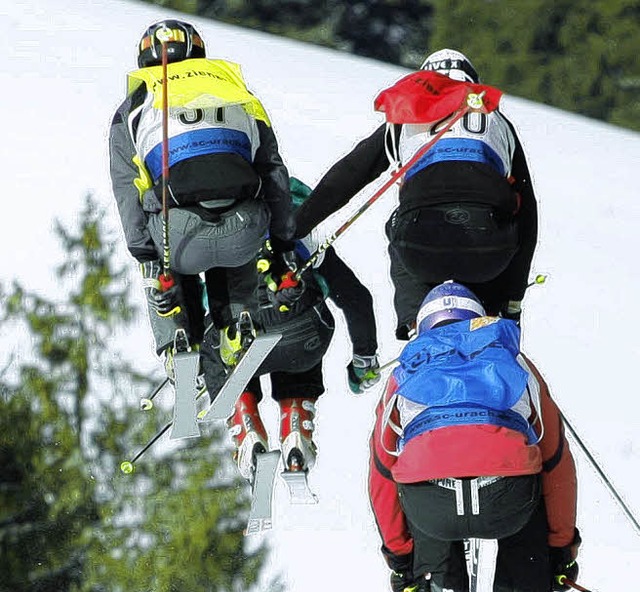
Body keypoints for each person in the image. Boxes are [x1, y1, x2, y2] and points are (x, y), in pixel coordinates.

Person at [368, 280, 580, 592]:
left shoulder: (404, 373)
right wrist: (561, 549)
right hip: (508, 503)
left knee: (417, 473)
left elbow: (382, 473)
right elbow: (556, 464)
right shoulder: (514, 362)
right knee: (529, 476)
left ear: (422, 328)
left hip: (433, 512)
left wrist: (402, 561)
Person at [294, 48, 538, 341]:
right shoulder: (496, 118)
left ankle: (414, 322)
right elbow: (528, 215)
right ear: (471, 82)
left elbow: (346, 177)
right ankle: (488, 322)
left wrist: (293, 230)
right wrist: (512, 301)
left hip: (421, 248)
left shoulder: (406, 114)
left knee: (397, 222)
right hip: (488, 254)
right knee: (502, 219)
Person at [108, 19, 297, 389]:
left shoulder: (134, 105)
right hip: (244, 232)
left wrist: (145, 255)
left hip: (178, 240)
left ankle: (177, 340)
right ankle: (238, 323)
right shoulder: (236, 90)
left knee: (158, 233)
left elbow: (126, 188)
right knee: (239, 208)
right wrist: (283, 246)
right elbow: (273, 171)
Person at [221, 178, 380, 478]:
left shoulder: (225, 227)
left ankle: (245, 422)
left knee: (226, 333)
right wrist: (364, 360)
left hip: (245, 345)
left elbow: (205, 300)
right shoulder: (304, 232)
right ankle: (296, 424)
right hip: (303, 341)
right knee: (300, 319)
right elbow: (357, 299)